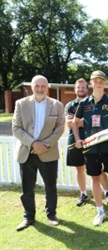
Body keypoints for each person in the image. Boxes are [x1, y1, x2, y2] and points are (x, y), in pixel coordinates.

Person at [12, 75, 65, 231]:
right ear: (31, 87)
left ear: (47, 87)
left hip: (48, 153)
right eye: (37, 86)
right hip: (26, 152)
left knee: (50, 187)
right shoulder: (21, 104)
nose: (40, 89)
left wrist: (45, 145)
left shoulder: (57, 105)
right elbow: (16, 128)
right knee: (27, 188)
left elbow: (60, 128)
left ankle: (51, 215)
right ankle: (28, 217)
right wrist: (33, 143)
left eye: (43, 86)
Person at [71, 70, 108, 226]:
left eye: (101, 81)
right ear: (90, 83)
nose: (98, 83)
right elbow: (74, 122)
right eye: (95, 81)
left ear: (105, 83)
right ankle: (100, 211)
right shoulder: (84, 103)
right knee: (95, 178)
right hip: (91, 148)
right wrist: (78, 139)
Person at [65, 78, 108, 207]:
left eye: (83, 87)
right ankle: (83, 194)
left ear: (88, 88)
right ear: (75, 89)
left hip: (94, 140)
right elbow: (70, 124)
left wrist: (80, 122)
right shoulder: (70, 105)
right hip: (76, 141)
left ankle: (107, 192)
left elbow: (97, 121)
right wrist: (84, 122)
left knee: (99, 169)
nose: (80, 90)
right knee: (79, 168)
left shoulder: (93, 103)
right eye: (78, 87)